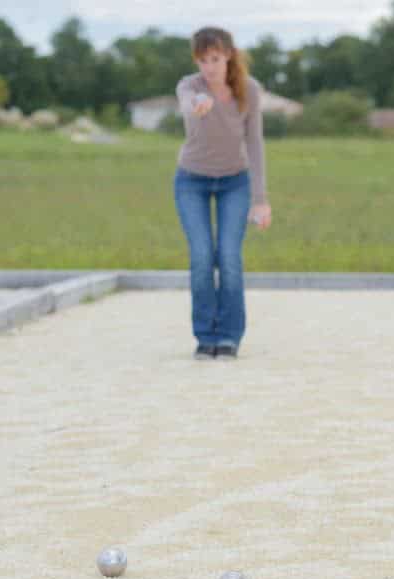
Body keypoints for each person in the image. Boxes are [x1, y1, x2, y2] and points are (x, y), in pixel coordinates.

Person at [173, 26, 271, 360]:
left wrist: (260, 200)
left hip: (235, 181)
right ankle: (205, 335)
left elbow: (255, 143)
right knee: (202, 256)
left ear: (228, 54)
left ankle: (229, 336)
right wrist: (197, 104)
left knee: (228, 256)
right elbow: (187, 103)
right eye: (202, 60)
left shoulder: (249, 90)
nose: (209, 67)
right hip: (191, 181)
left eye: (214, 59)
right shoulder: (190, 86)